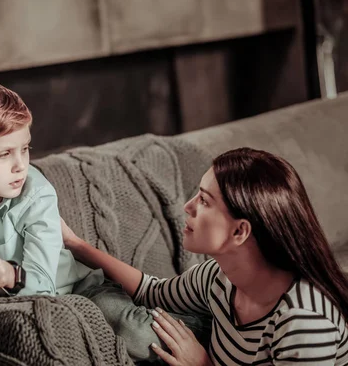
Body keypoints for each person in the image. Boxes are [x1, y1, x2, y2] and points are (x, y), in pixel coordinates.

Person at [0, 79, 210, 364]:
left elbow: (43, 283)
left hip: (77, 290)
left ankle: (209, 325)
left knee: (139, 334)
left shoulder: (37, 192)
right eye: (4, 154)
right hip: (6, 305)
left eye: (25, 149)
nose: (20, 165)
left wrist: (11, 275)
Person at [61, 147, 348, 365]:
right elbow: (151, 291)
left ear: (240, 232)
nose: (187, 206)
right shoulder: (218, 277)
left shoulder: (303, 322)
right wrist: (76, 244)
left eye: (204, 200)